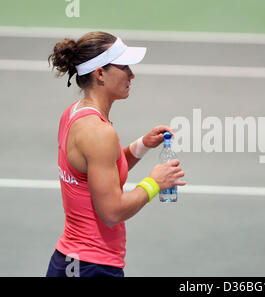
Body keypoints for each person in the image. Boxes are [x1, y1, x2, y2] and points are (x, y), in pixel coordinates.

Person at [46, 31, 186, 277]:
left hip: (71, 263)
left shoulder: (74, 114)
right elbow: (111, 213)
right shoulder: (98, 132)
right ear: (100, 73)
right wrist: (155, 183)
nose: (132, 74)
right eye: (124, 67)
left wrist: (141, 145)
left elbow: (100, 168)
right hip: (92, 268)